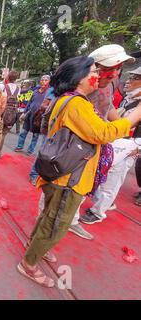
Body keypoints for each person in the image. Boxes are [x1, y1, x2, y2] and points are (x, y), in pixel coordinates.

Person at [17, 56, 141, 288]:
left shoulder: (69, 100)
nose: (99, 75)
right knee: (56, 225)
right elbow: (104, 133)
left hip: (61, 174)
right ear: (79, 78)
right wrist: (135, 115)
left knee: (48, 218)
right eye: (94, 71)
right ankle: (29, 263)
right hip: (69, 178)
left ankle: (34, 247)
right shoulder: (77, 104)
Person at [80, 67, 141, 223]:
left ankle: (98, 212)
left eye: (134, 77)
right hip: (114, 139)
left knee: (112, 181)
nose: (128, 80)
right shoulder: (129, 99)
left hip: (130, 146)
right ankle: (104, 203)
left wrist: (138, 147)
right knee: (103, 175)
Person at [14, 75, 50, 155]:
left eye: (46, 80)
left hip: (39, 117)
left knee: (35, 135)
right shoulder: (35, 92)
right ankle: (19, 146)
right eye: (42, 80)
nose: (44, 82)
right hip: (29, 114)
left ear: (49, 82)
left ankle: (30, 150)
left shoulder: (49, 93)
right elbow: (29, 103)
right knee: (24, 132)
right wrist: (24, 113)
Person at [0, 71, 20, 158]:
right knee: (4, 134)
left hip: (3, 112)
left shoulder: (2, 86)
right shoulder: (18, 88)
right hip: (13, 113)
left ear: (8, 78)